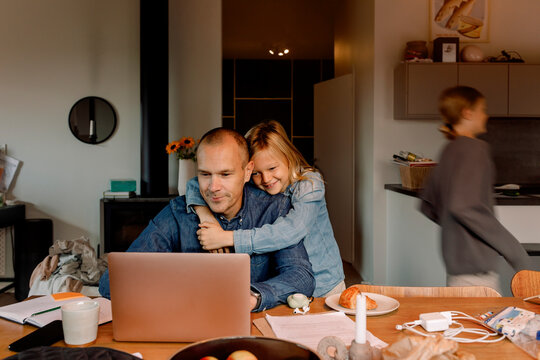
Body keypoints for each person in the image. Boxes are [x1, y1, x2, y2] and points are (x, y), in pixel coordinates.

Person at [98, 128, 315, 311]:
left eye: (225, 174)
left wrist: (254, 297)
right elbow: (111, 282)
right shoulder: (177, 213)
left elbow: (301, 276)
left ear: (248, 171)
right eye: (205, 174)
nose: (213, 187)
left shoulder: (274, 208)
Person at [185, 120, 345, 297]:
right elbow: (194, 184)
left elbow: (292, 231)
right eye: (256, 173)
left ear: (288, 157)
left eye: (272, 168)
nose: (266, 178)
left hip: (325, 285)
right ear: (247, 171)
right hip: (286, 285)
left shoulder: (309, 184)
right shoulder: (258, 187)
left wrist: (228, 238)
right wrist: (205, 215)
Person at [420, 86, 531, 292]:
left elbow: (429, 205)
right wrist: (515, 251)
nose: (486, 115)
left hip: (456, 263)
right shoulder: (474, 149)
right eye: (483, 109)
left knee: (464, 321)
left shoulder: (448, 150)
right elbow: (464, 206)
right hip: (476, 264)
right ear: (467, 113)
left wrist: (455, 230)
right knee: (481, 323)